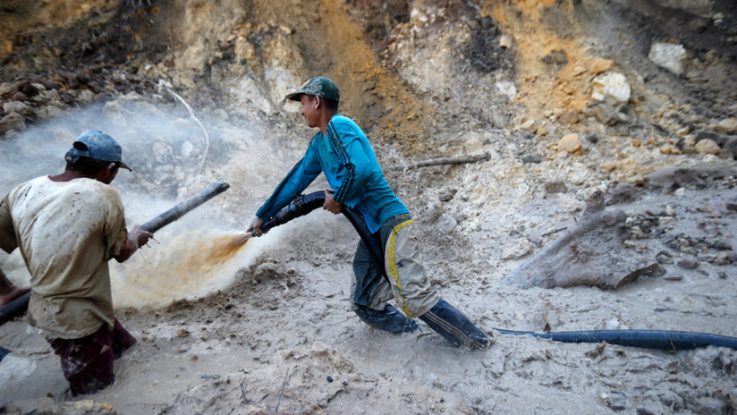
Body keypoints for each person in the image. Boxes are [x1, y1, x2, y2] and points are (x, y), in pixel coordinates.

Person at [248, 76, 492, 349]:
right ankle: (412, 337)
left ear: (317, 101)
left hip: (390, 222)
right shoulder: (319, 144)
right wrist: (263, 216)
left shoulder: (340, 126)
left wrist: (338, 198)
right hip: (371, 229)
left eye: (303, 103)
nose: (302, 110)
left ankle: (478, 344)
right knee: (364, 301)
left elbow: (360, 168)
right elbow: (296, 181)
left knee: (414, 296)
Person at [0, 130, 152, 395]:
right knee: (96, 393)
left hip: (81, 309)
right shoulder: (104, 195)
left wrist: (6, 290)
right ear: (109, 169)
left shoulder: (24, 191)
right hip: (77, 324)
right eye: (115, 173)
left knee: (126, 350)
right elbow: (122, 252)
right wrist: (136, 237)